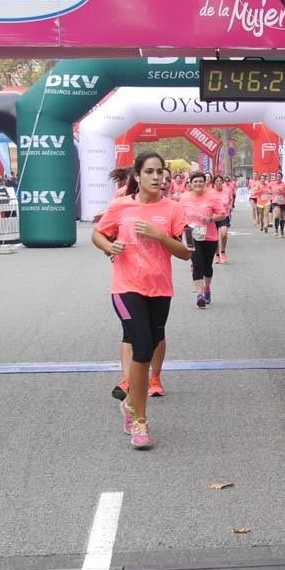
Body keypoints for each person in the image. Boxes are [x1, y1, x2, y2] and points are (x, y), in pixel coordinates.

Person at [92, 152, 191, 450]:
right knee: (143, 348)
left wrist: (159, 235)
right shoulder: (121, 206)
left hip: (159, 289)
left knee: (155, 340)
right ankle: (140, 419)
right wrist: (109, 246)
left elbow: (185, 253)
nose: (156, 177)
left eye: (160, 172)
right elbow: (98, 234)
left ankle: (130, 405)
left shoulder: (173, 209)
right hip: (126, 287)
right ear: (137, 175)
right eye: (149, 171)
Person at [182, 172, 228, 308]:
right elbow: (178, 215)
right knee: (197, 264)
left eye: (200, 181)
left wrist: (211, 218)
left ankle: (207, 288)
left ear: (205, 183)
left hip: (209, 236)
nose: (198, 184)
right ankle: (200, 294)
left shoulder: (212, 197)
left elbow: (222, 215)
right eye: (195, 181)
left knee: (207, 266)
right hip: (191, 235)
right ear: (190, 184)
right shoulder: (184, 198)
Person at [211, 175, 234, 263]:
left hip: (225, 215)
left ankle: (223, 252)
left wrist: (231, 205)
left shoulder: (227, 190)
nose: (219, 182)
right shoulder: (211, 193)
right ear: (214, 183)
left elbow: (231, 199)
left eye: (220, 181)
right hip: (214, 216)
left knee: (224, 234)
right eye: (217, 181)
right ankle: (217, 254)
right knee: (215, 237)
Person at [268, 171, 285, 238]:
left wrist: (283, 192)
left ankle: (282, 231)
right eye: (277, 176)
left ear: (282, 178)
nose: (278, 178)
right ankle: (276, 229)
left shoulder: (284, 184)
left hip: (283, 203)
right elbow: (267, 188)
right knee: (277, 215)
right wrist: (270, 193)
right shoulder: (272, 184)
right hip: (275, 202)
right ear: (275, 177)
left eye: (280, 177)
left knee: (282, 218)